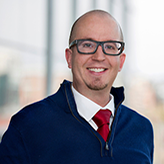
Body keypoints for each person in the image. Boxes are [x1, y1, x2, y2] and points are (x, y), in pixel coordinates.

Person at [0, 10, 154, 164]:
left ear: (121, 61)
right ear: (69, 57)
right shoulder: (27, 126)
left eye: (110, 47)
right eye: (87, 45)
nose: (99, 57)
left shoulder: (142, 129)